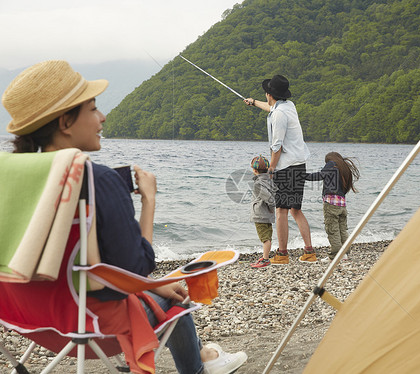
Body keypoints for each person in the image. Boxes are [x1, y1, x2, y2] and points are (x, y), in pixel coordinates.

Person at [2, 60, 247, 374]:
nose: (102, 117)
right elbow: (138, 268)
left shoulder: (11, 180)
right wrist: (149, 200)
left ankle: (206, 360)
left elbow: (71, 266)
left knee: (160, 287)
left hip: (25, 319)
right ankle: (200, 369)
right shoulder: (97, 180)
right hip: (93, 326)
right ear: (65, 122)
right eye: (92, 109)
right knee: (177, 299)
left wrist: (151, 286)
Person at [244, 75, 316, 264]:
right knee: (295, 210)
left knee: (281, 210)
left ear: (269, 94)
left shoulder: (278, 115)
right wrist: (253, 102)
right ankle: (309, 251)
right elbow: (271, 107)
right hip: (300, 164)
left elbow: (277, 147)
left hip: (286, 167)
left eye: (265, 93)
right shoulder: (288, 106)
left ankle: (282, 254)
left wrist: (272, 168)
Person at [306, 152, 360, 261]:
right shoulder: (343, 168)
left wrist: (302, 175)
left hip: (331, 203)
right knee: (342, 230)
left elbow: (320, 175)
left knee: (332, 230)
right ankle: (344, 253)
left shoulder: (331, 164)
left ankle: (336, 255)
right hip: (342, 204)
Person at [248, 155, 276, 268]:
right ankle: (265, 256)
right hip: (267, 214)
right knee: (267, 236)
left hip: (261, 214)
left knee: (265, 238)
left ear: (254, 170)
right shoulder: (269, 180)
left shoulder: (258, 184)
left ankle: (265, 259)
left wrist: (270, 206)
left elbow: (270, 198)